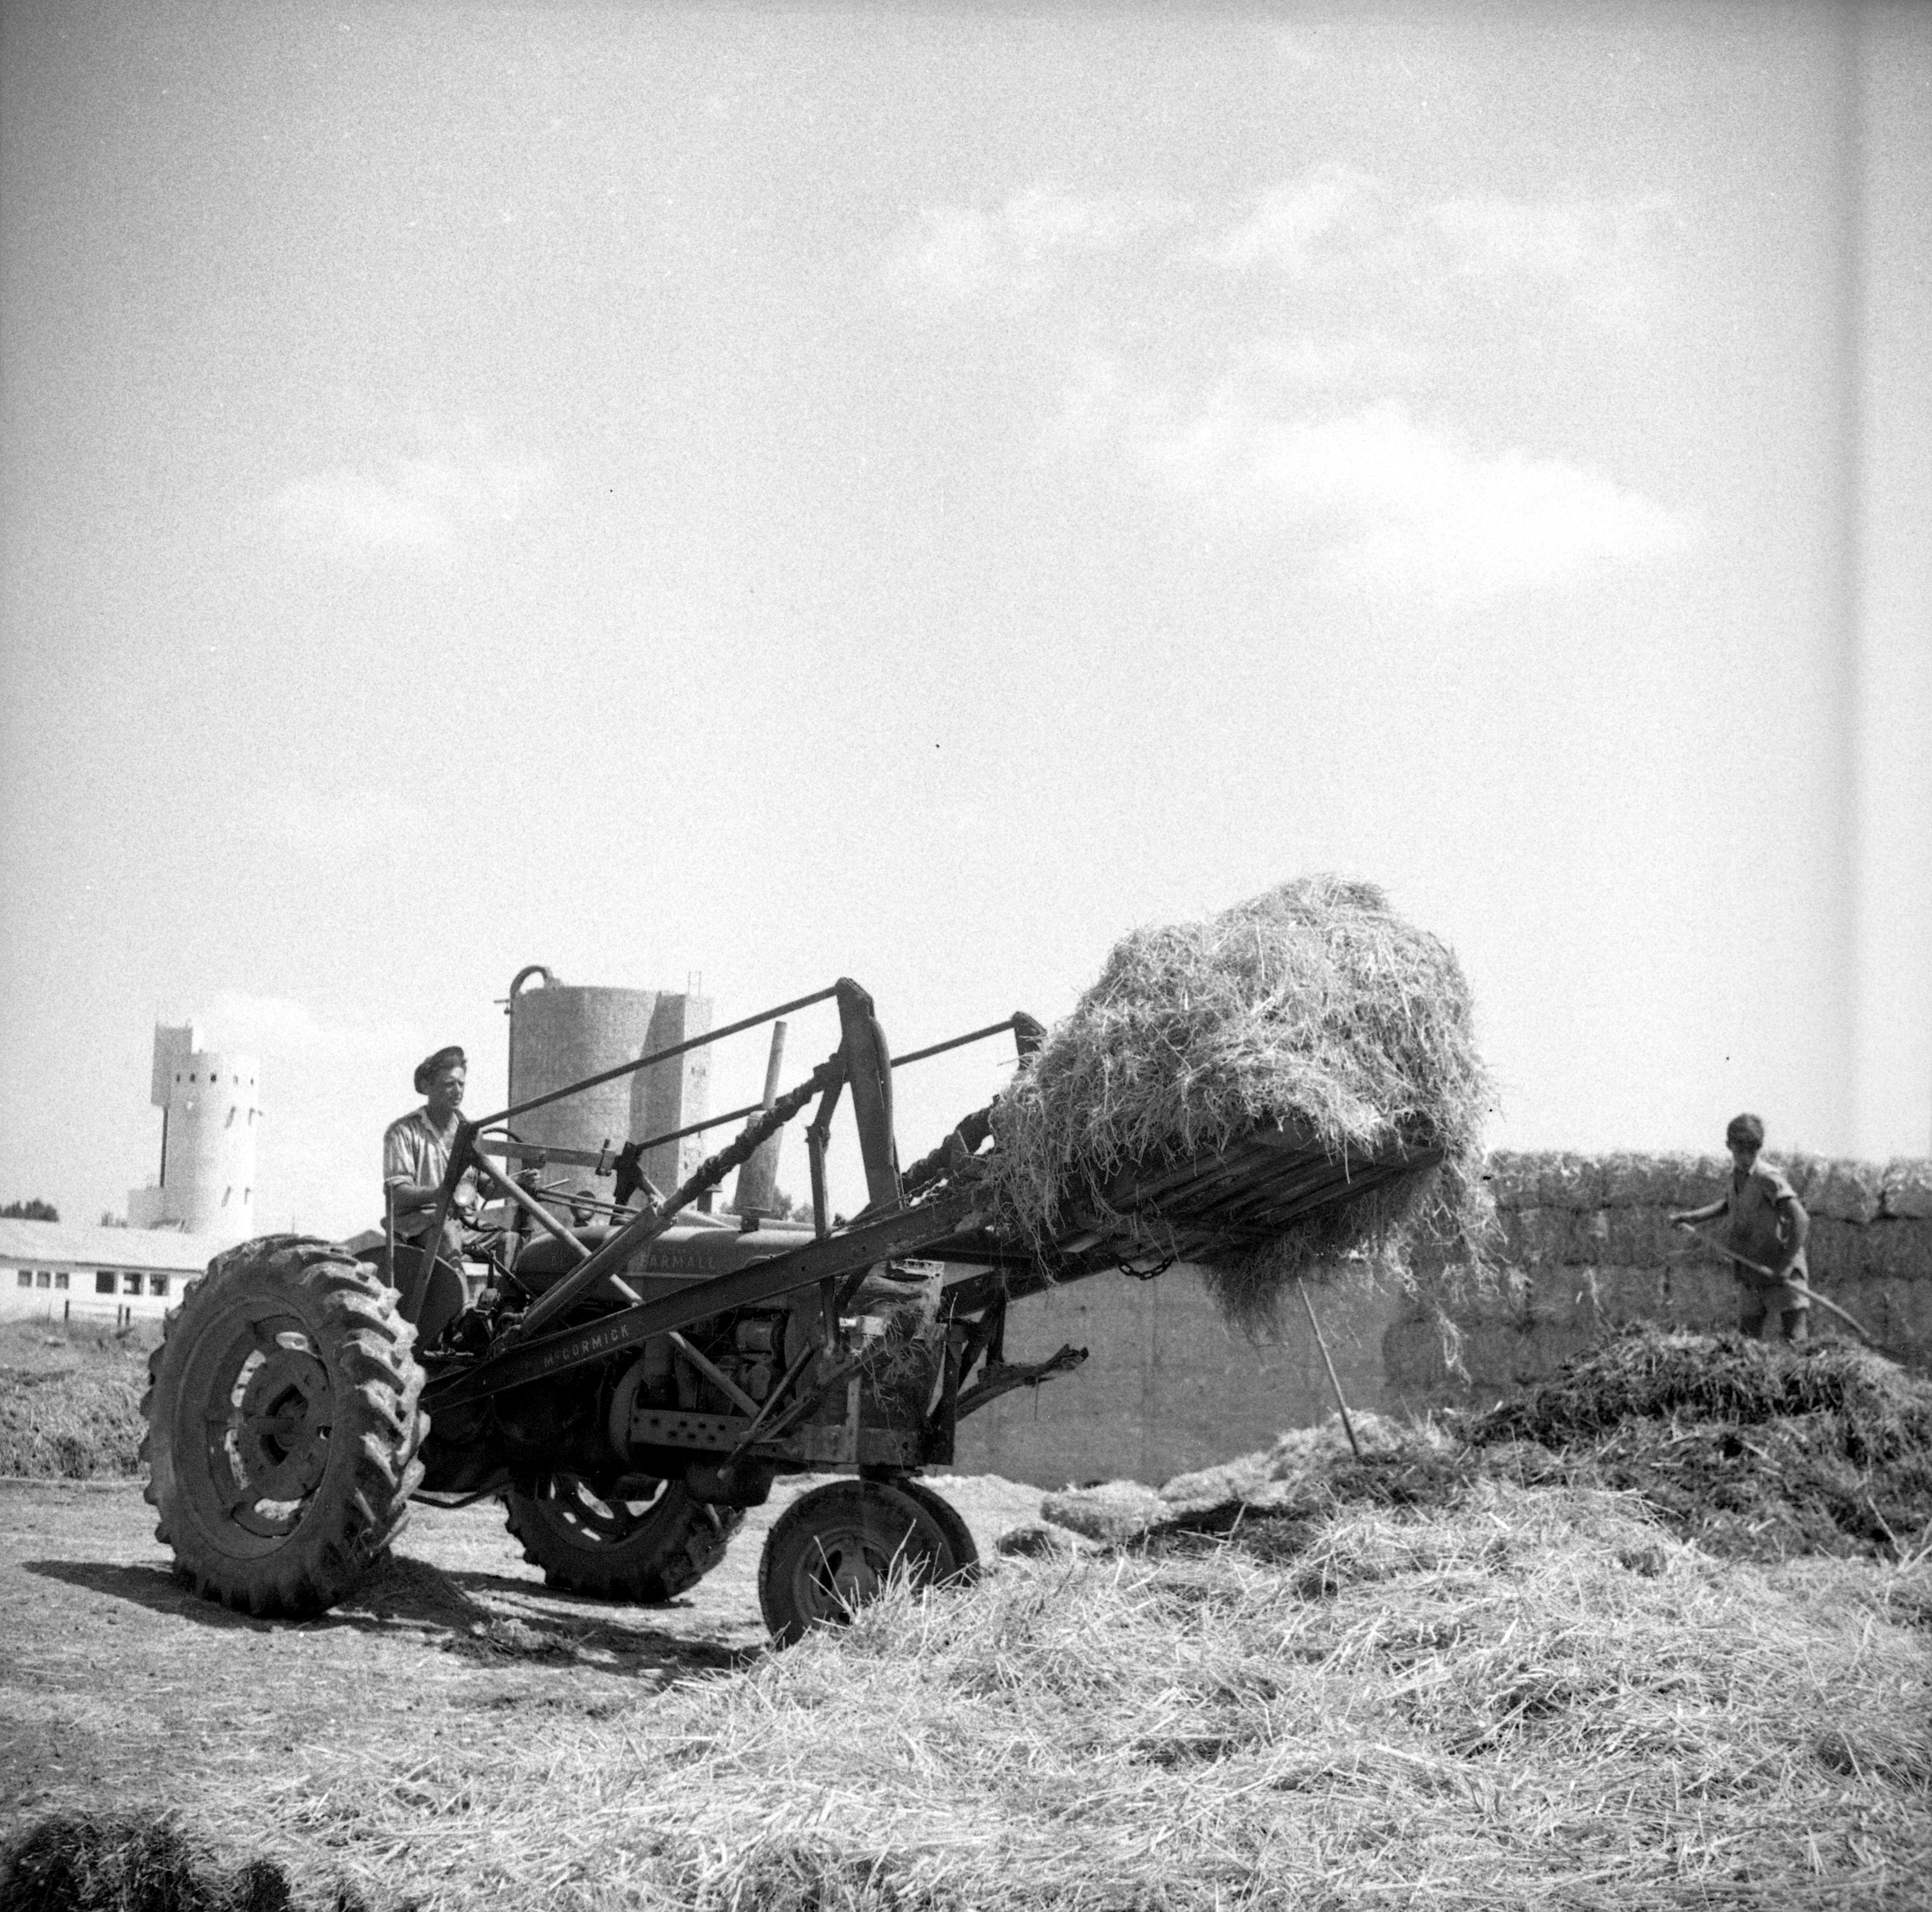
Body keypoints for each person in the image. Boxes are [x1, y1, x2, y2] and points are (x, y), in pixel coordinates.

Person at [1670, 1113, 1811, 1342]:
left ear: (1760, 1147)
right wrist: (1692, 1217)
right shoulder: (1737, 1176)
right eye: (1740, 1150)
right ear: (1729, 1146)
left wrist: (1784, 1265)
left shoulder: (1768, 1177)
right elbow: (1728, 1204)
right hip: (1752, 1267)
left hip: (1780, 1268)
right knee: (1746, 1342)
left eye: (1752, 1150)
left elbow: (1801, 1219)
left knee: (1794, 1337)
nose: (1746, 1157)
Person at [382, 1045, 480, 1259]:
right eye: (449, 1084)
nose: (458, 1091)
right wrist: (440, 1194)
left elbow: (485, 1185)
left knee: (510, 1241)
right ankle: (457, 1292)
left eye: (461, 1084)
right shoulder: (403, 1132)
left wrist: (519, 1184)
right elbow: (396, 1192)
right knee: (447, 1236)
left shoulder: (469, 1133)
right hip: (418, 1225)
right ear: (428, 1087)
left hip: (465, 1225)